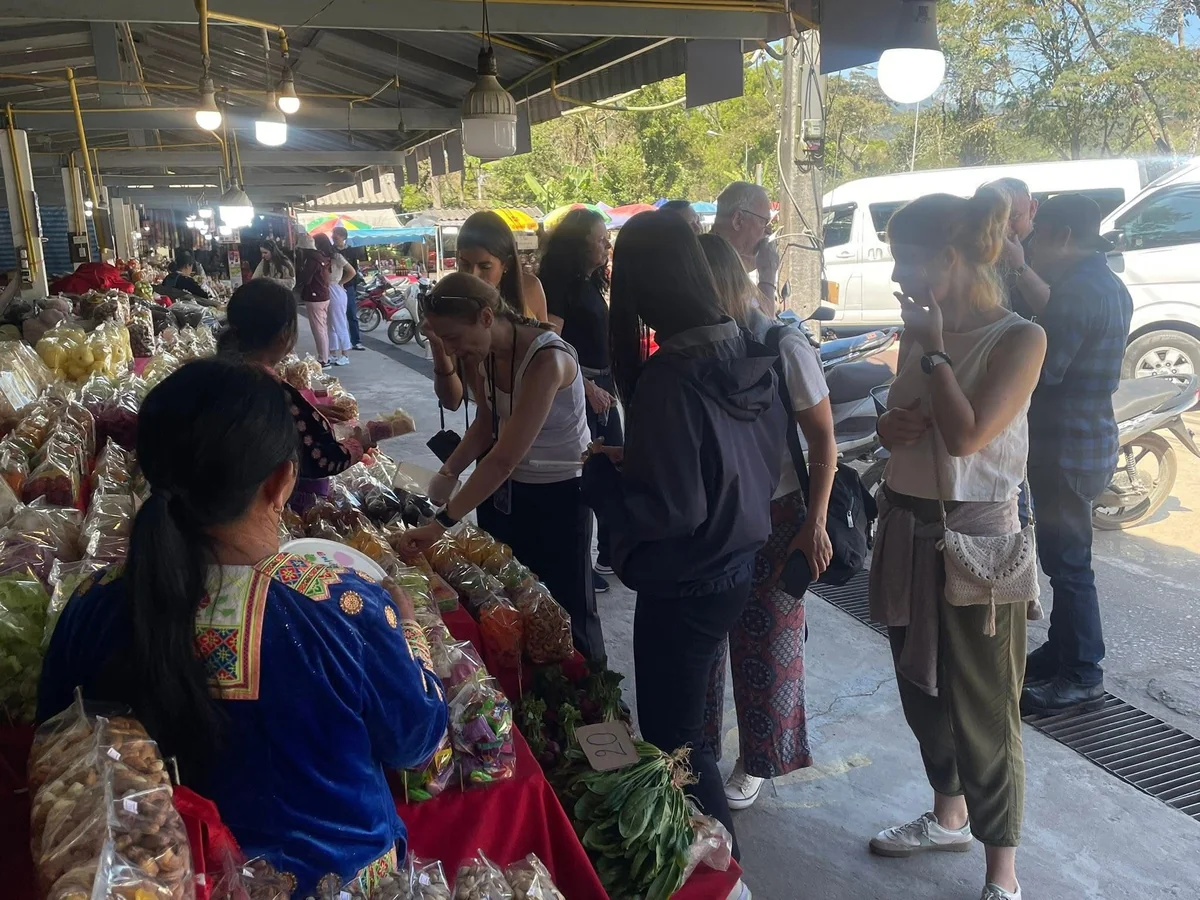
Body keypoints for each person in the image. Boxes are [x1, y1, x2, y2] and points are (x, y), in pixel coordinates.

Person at [37, 358, 448, 896]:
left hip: (147, 885)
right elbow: (417, 741)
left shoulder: (93, 605)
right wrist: (410, 632)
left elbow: (56, 756)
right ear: (281, 480)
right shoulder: (343, 607)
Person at [581, 211, 785, 856]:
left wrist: (603, 485)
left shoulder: (673, 372)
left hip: (686, 574)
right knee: (687, 731)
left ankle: (722, 868)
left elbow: (672, 509)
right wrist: (638, 464)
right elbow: (726, 461)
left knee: (677, 743)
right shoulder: (742, 345)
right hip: (735, 558)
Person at [867, 190, 1047, 900]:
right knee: (921, 694)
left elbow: (970, 437)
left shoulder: (1019, 338)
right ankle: (949, 816)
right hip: (907, 525)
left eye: (906, 262)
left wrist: (936, 348)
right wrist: (888, 429)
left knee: (984, 706)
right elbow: (904, 419)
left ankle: (1002, 873)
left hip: (977, 542)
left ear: (947, 259)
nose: (899, 278)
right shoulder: (919, 330)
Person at [398, 272, 605, 664]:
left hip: (563, 494)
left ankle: (596, 707)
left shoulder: (547, 359)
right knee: (521, 597)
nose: (454, 350)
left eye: (455, 338)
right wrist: (449, 472)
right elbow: (486, 424)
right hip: (517, 493)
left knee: (568, 607)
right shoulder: (488, 355)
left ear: (487, 317)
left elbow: (503, 458)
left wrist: (441, 523)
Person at [697, 232, 837, 809]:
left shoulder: (784, 345)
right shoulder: (706, 343)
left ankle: (758, 759)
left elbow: (824, 441)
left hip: (779, 513)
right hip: (716, 511)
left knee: (768, 641)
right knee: (706, 639)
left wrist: (815, 522)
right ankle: (695, 752)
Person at [1020, 193, 1132, 715]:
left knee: (1068, 565)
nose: (1032, 244)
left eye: (1039, 234)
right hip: (1090, 438)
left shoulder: (1075, 293)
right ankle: (1064, 651)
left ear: (1063, 237)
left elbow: (1046, 372)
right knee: (1065, 559)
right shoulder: (1107, 283)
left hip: (1065, 446)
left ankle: (1083, 672)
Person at [217, 280, 378, 512]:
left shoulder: (219, 373)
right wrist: (359, 443)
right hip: (267, 507)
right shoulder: (269, 390)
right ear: (285, 334)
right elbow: (321, 459)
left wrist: (309, 412)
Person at [539, 207, 618, 592]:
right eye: (600, 237)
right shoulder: (558, 283)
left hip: (604, 387)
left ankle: (609, 552)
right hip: (581, 390)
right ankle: (580, 565)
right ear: (579, 241)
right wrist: (587, 386)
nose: (606, 244)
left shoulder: (589, 281)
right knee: (584, 475)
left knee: (611, 470)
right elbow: (552, 345)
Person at [428, 211, 549, 411]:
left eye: (485, 266)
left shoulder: (531, 289)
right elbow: (452, 401)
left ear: (506, 264)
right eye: (465, 264)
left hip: (537, 419)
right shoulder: (449, 301)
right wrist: (438, 347)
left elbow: (549, 351)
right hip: (489, 423)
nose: (473, 275)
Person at [982, 177, 1051, 317]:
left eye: (1014, 216)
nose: (1005, 228)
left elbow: (1054, 309)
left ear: (1032, 209)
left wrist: (1019, 266)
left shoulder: (1051, 248)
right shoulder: (980, 247)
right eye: (997, 218)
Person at [711, 181, 779, 306]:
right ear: (738, 220)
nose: (768, 231)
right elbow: (764, 324)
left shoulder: (714, 252)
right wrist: (767, 275)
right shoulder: (716, 265)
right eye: (764, 222)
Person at [314, 233, 356, 367]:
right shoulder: (324, 257)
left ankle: (345, 354)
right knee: (329, 325)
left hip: (335, 290)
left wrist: (340, 283)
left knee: (339, 323)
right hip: (327, 289)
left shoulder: (336, 256)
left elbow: (352, 271)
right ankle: (332, 353)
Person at [295, 231, 332, 365]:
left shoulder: (311, 260)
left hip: (315, 297)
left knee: (318, 329)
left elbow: (305, 278)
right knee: (322, 328)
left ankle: (323, 360)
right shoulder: (319, 257)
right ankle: (325, 356)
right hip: (323, 295)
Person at [332, 225, 368, 351]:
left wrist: (345, 282)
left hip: (348, 286)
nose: (333, 237)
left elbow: (354, 270)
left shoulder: (351, 252)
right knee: (335, 317)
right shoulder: (331, 251)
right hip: (334, 286)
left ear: (342, 237)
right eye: (333, 235)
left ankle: (356, 341)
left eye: (336, 235)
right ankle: (336, 344)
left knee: (351, 313)